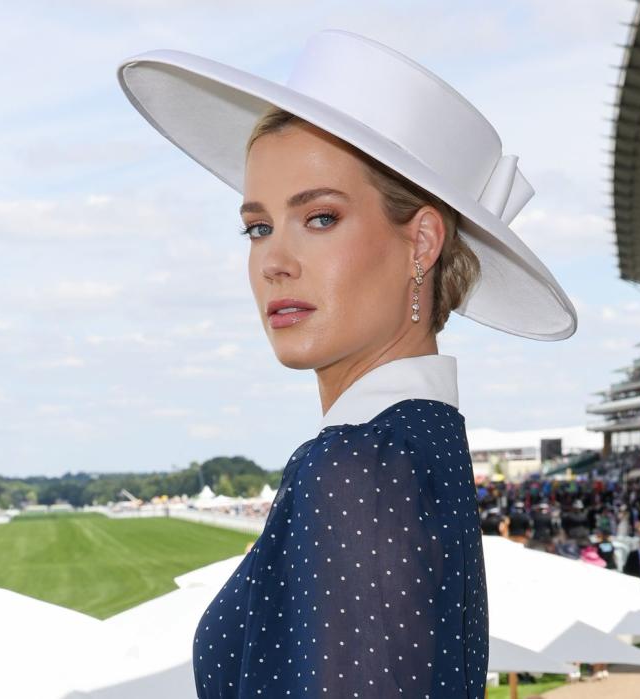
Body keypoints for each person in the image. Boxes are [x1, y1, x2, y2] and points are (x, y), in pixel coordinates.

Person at [116, 29, 577, 698]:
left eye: (321, 218)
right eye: (257, 226)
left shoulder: (355, 466)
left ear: (421, 240)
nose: (274, 260)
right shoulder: (420, 444)